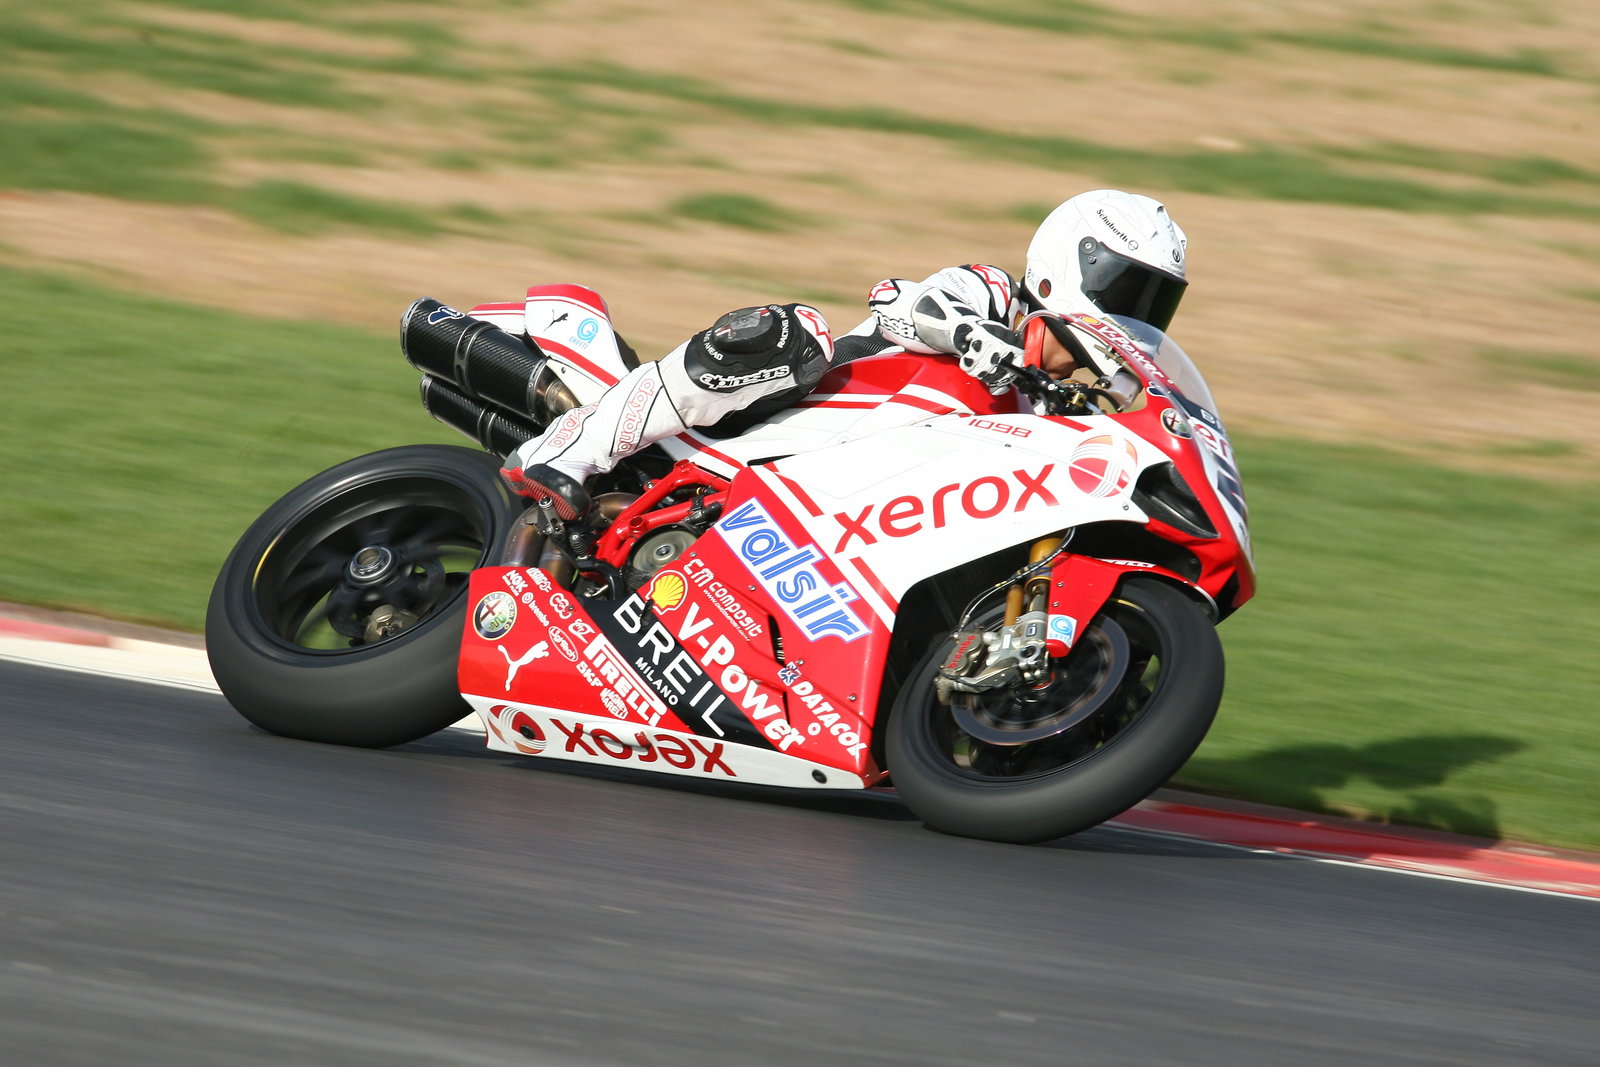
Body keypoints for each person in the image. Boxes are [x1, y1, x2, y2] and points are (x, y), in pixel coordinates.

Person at [500, 189, 1189, 520]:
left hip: (855, 514)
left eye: (1154, 301)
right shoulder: (991, 294)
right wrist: (975, 338)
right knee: (791, 330)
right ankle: (572, 447)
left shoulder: (1054, 407)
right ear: (1070, 262)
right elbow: (897, 297)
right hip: (760, 432)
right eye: (1127, 287)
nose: (1135, 314)